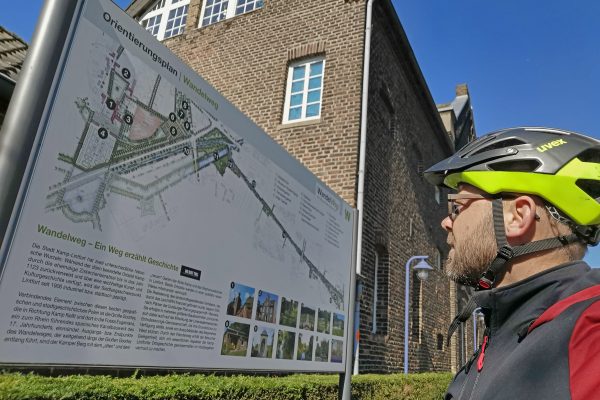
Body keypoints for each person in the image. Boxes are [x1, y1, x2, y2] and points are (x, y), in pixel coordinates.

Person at [424, 127, 600, 400]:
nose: (446, 221)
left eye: (458, 206)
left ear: (517, 217)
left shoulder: (589, 335)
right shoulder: (498, 336)